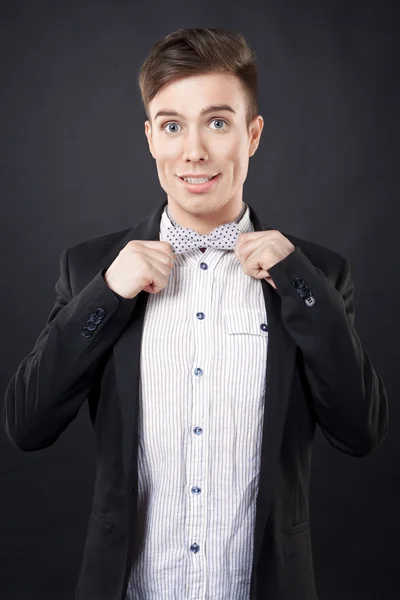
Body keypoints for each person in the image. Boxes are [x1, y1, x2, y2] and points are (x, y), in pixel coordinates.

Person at [3, 28, 388, 600]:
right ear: (150, 138)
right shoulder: (91, 270)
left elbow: (360, 432)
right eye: (172, 125)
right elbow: (26, 427)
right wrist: (108, 293)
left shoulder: (319, 275)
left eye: (217, 121)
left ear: (252, 135)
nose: (194, 152)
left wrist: (301, 283)